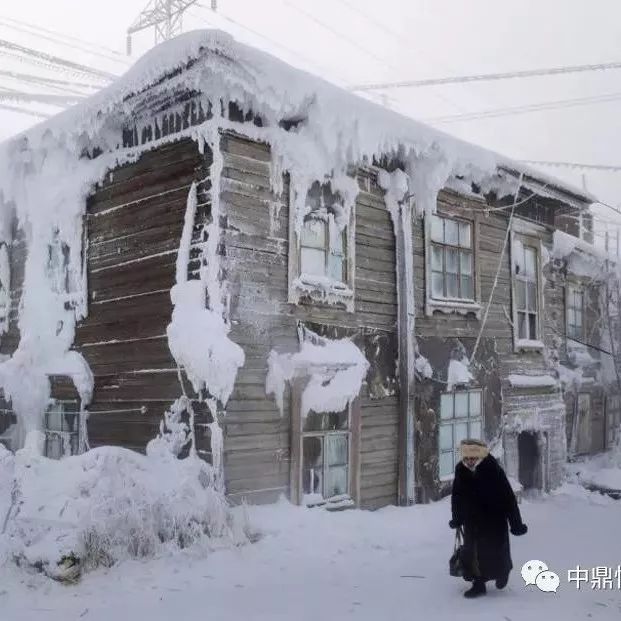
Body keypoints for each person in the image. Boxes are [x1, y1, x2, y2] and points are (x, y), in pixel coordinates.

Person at [449, 438, 528, 598]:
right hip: (472, 520)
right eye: (467, 458)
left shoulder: (493, 469)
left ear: (480, 457)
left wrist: (516, 523)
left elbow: (508, 497)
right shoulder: (460, 470)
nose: (470, 461)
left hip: (494, 519)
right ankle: (478, 584)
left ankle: (503, 572)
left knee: (495, 551)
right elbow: (457, 496)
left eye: (473, 458)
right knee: (474, 553)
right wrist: (457, 518)